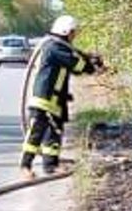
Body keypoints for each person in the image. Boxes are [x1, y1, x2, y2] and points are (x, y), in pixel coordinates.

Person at [20, 15, 103, 175]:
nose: (74, 35)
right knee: (36, 133)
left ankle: (50, 166)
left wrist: (90, 57)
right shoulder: (54, 47)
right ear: (65, 31)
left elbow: (74, 64)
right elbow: (77, 65)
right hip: (44, 99)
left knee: (55, 132)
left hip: (56, 99)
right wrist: (93, 67)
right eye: (73, 32)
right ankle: (25, 166)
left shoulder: (60, 47)